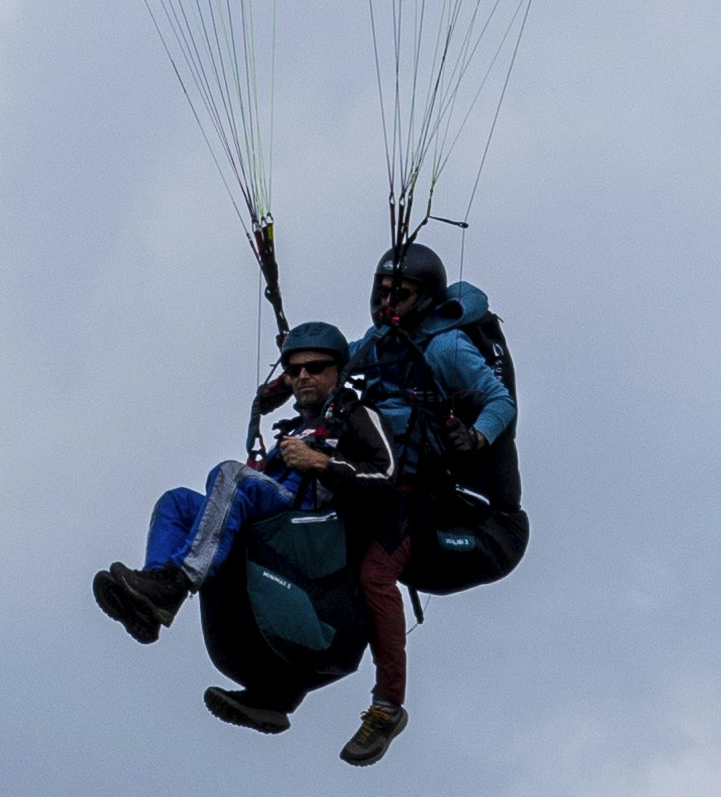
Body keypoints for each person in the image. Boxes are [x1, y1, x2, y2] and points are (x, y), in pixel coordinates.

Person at [93, 328, 415, 764]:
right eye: (295, 370)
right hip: (274, 510)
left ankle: (175, 584)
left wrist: (319, 461)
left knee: (230, 475)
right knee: (178, 503)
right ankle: (150, 601)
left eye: (316, 369)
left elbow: (385, 474)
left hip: (305, 518)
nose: (304, 377)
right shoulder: (292, 426)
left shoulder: (356, 417)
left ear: (338, 372)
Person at [354, 241, 527, 596]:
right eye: (381, 292)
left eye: (399, 295)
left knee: (376, 574)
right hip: (379, 465)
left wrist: (477, 436)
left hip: (420, 480)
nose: (387, 303)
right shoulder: (377, 340)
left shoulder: (445, 347)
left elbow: (500, 400)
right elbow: (340, 359)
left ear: (424, 297)